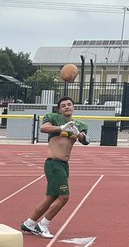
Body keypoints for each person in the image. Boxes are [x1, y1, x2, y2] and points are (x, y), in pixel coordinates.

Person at [21, 96, 88, 238]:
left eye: (69, 104)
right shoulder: (54, 118)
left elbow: (86, 140)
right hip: (54, 163)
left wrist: (79, 135)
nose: (67, 107)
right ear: (59, 109)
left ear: (73, 107)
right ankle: (43, 225)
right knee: (64, 197)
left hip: (64, 165)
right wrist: (61, 128)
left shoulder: (80, 124)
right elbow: (43, 128)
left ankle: (29, 223)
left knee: (51, 197)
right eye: (63, 105)